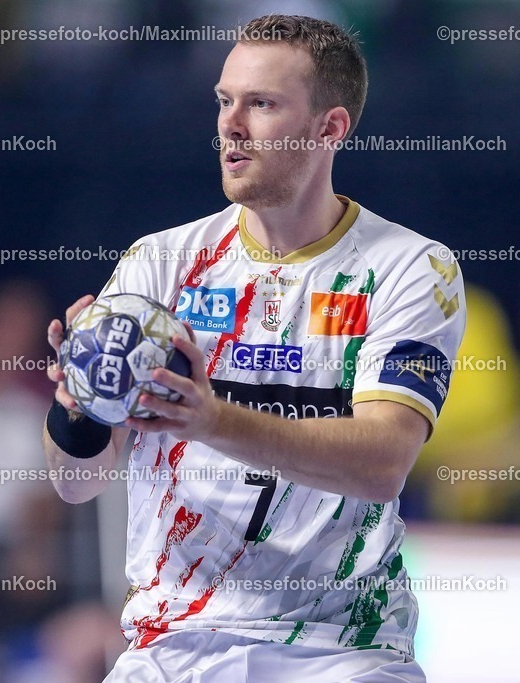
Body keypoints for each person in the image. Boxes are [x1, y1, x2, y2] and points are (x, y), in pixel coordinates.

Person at [43, 15, 466, 681]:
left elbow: (382, 461)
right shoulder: (161, 262)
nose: (230, 124)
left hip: (341, 650)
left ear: (330, 128)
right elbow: (76, 481)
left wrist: (211, 419)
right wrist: (79, 404)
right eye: (224, 100)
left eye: (261, 104)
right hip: (172, 643)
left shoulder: (412, 267)